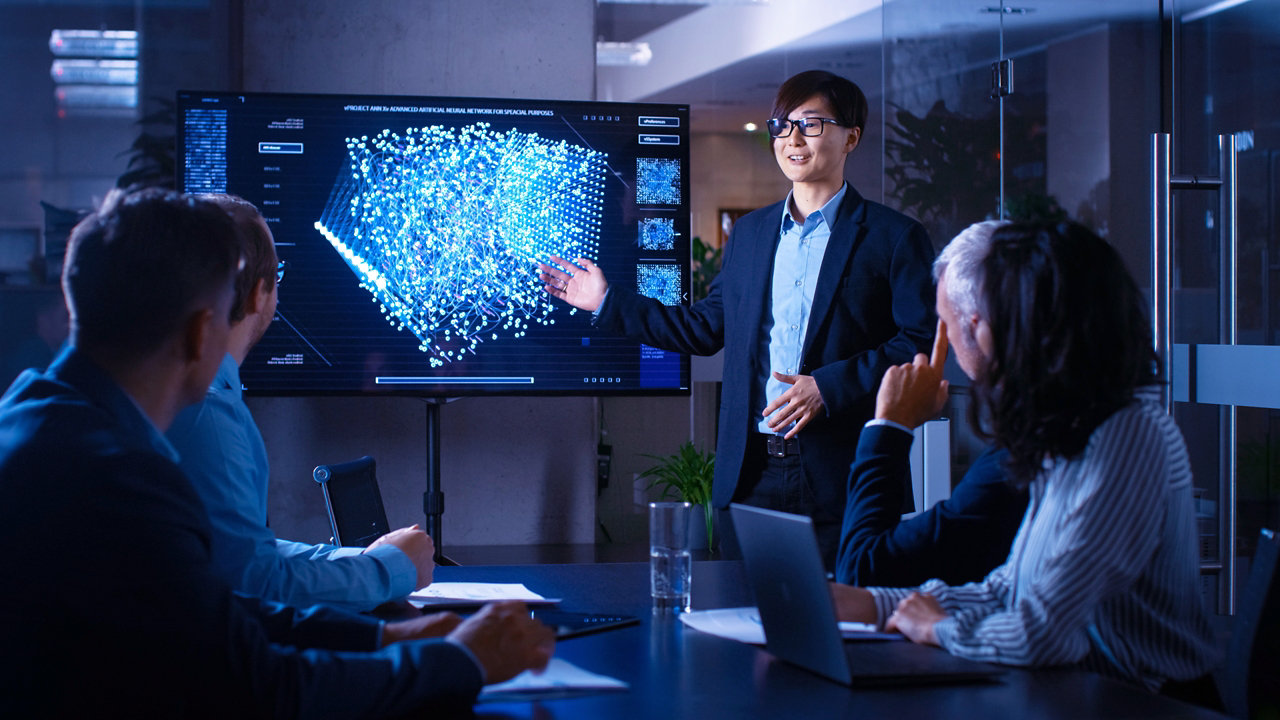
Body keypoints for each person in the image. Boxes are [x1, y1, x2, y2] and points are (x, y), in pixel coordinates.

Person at [0, 188, 554, 718]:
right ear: (201, 334)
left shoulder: (37, 420)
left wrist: (384, 634)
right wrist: (461, 660)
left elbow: (209, 610)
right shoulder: (122, 482)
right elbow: (265, 690)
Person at [540, 70, 935, 566]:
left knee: (851, 630)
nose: (792, 139)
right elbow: (705, 329)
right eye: (782, 125)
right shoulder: (749, 233)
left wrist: (827, 387)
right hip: (753, 476)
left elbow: (920, 343)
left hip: (845, 474)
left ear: (850, 136)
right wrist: (605, 301)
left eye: (811, 125)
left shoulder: (893, 236)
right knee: (746, 628)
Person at [830, 220, 1219, 692]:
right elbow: (1007, 591)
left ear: (987, 332)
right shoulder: (1068, 434)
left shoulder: (1129, 435)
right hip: (1079, 695)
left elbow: (1043, 632)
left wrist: (936, 628)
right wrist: (876, 607)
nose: (947, 346)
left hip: (1144, 704)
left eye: (950, 328)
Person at [166, 194, 432, 611]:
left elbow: (246, 553)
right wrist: (389, 570)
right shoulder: (207, 414)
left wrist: (364, 560)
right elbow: (256, 584)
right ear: (259, 293)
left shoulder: (199, 394)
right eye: (278, 273)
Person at [835, 222, 1027, 587]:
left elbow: (863, 570)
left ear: (980, 329)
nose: (945, 339)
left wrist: (890, 425)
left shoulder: (1022, 461)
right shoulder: (1065, 429)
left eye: (944, 322)